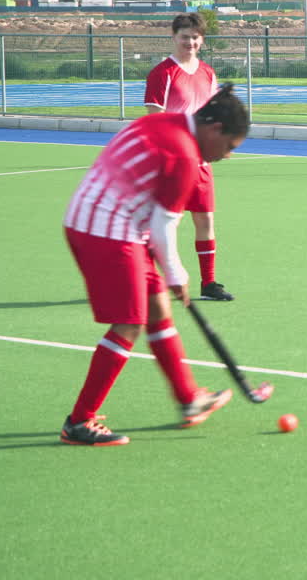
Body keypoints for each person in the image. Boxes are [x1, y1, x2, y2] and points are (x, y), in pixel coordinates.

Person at [60, 86, 251, 445]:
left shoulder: (169, 123)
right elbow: (165, 224)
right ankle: (79, 421)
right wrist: (176, 273)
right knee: (130, 323)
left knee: (157, 307)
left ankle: (189, 399)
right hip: (106, 229)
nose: (227, 155)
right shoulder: (184, 153)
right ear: (214, 129)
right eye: (229, 146)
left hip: (111, 222)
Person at [144, 12, 235, 301]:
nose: (190, 42)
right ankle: (147, 279)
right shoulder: (162, 73)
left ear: (202, 40)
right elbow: (154, 120)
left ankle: (209, 284)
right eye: (184, 37)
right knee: (164, 225)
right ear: (173, 37)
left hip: (201, 162)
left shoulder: (207, 72)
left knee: (205, 220)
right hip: (172, 162)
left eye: (195, 37)